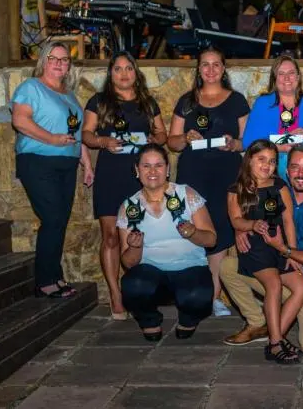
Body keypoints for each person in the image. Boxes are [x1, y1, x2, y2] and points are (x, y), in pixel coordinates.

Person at [220, 145, 303, 358]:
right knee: (228, 266)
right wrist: (242, 227)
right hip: (271, 262)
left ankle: (273, 335)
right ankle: (263, 327)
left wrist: (285, 249)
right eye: (295, 167)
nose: (301, 173)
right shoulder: (280, 191)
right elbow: (241, 215)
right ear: (287, 170)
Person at [82, 51, 167, 320]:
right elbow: (86, 134)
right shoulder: (99, 101)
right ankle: (115, 295)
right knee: (110, 237)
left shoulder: (147, 102)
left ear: (136, 72)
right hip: (110, 175)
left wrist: (154, 139)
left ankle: (140, 292)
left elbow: (162, 133)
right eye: (117, 69)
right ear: (111, 73)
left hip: (140, 177)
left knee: (138, 235)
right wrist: (103, 141)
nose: (123, 74)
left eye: (128, 68)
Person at [168, 46, 250, 317]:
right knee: (194, 229)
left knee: (221, 233)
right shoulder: (187, 101)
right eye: (206, 64)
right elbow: (172, 142)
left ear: (223, 68)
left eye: (216, 64)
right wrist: (185, 138)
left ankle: (213, 297)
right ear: (199, 69)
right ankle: (192, 293)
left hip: (226, 174)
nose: (211, 69)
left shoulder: (237, 100)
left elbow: (247, 142)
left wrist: (234, 144)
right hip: (193, 174)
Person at [11, 42, 94, 299]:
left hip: (66, 164)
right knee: (53, 218)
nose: (59, 63)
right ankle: (45, 282)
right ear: (43, 62)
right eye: (53, 58)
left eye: (64, 59)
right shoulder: (31, 87)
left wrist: (86, 162)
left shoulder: (69, 95)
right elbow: (20, 120)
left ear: (69, 65)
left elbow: (74, 133)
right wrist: (51, 139)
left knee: (59, 221)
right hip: (37, 161)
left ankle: (55, 277)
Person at [118, 144, 216, 341]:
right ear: (137, 170)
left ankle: (188, 318)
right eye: (146, 166)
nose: (152, 171)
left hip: (190, 267)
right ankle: (149, 320)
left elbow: (211, 239)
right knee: (133, 285)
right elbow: (128, 263)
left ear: (168, 169)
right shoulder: (129, 207)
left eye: (159, 165)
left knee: (198, 295)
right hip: (151, 272)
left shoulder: (187, 194)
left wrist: (193, 233)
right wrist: (135, 247)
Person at [227, 140, 303, 364]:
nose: (267, 165)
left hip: (279, 246)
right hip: (254, 247)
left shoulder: (280, 186)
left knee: (302, 286)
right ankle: (275, 344)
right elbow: (235, 220)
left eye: (272, 161)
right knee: (273, 285)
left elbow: (288, 220)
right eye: (261, 159)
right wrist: (251, 225)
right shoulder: (236, 190)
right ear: (249, 160)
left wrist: (292, 253)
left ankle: (276, 336)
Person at [242, 55, 303, 180]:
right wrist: (279, 148)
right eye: (281, 73)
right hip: (270, 165)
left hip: (302, 166)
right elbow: (248, 143)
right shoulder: (263, 103)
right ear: (274, 78)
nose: (287, 78)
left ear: (298, 77)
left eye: (291, 73)